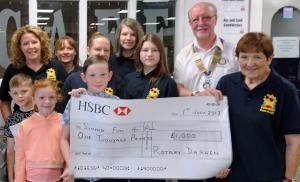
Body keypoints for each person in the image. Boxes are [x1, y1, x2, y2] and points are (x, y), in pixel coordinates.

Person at [216, 32, 300, 182]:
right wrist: (214, 164)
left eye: (257, 57)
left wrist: (289, 178)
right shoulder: (226, 84)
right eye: (244, 57)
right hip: (230, 174)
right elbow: (216, 130)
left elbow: (293, 141)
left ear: (269, 59)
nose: (249, 63)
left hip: (268, 174)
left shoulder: (285, 90)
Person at [60, 55, 120, 182]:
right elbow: (63, 139)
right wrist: (71, 165)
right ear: (83, 77)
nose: (98, 80)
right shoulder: (76, 101)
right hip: (82, 173)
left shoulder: (117, 103)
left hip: (109, 173)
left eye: (103, 74)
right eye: (92, 75)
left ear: (109, 76)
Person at [0, 25, 67, 120]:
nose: (31, 46)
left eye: (34, 42)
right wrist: (12, 127)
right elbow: (4, 102)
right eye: (26, 43)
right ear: (20, 47)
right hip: (23, 125)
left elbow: (67, 97)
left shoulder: (56, 66)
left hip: (53, 123)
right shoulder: (13, 69)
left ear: (41, 44)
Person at [173, 2, 239, 97]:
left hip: (226, 110)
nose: (201, 23)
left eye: (206, 18)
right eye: (195, 19)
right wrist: (196, 94)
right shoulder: (183, 55)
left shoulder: (234, 52)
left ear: (215, 19)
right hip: (192, 110)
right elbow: (178, 88)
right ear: (190, 24)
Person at [15, 79, 65, 182]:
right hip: (31, 179)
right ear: (34, 100)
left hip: (57, 178)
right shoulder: (25, 125)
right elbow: (20, 157)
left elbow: (67, 151)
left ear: (57, 98)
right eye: (41, 97)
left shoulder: (63, 122)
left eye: (51, 97)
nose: (47, 101)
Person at [61, 32, 124, 110]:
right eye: (98, 49)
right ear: (88, 50)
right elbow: (62, 110)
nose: (102, 53)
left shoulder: (117, 81)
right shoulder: (72, 79)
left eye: (106, 50)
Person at [124, 33, 178, 99]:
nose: (149, 54)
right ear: (139, 53)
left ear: (160, 54)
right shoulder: (129, 79)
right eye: (145, 50)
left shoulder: (169, 83)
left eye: (154, 50)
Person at [3, 74, 34, 182]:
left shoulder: (41, 112)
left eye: (24, 91)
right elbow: (11, 151)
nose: (19, 96)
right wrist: (11, 177)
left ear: (33, 90)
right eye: (15, 93)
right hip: (21, 170)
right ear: (10, 94)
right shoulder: (12, 120)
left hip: (41, 168)